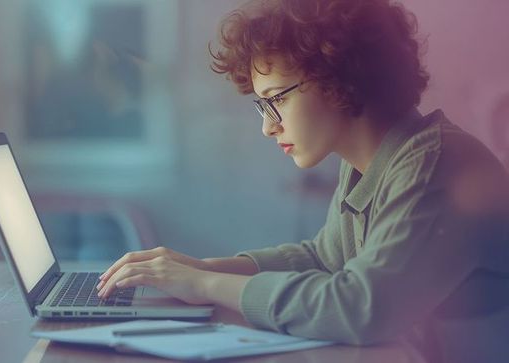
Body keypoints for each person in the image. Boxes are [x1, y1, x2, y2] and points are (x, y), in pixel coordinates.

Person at [95, 0, 509, 361]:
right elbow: (326, 258)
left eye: (277, 99)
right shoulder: (374, 159)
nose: (268, 127)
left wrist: (204, 284)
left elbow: (360, 308)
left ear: (341, 74)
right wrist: (199, 268)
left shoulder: (434, 164)